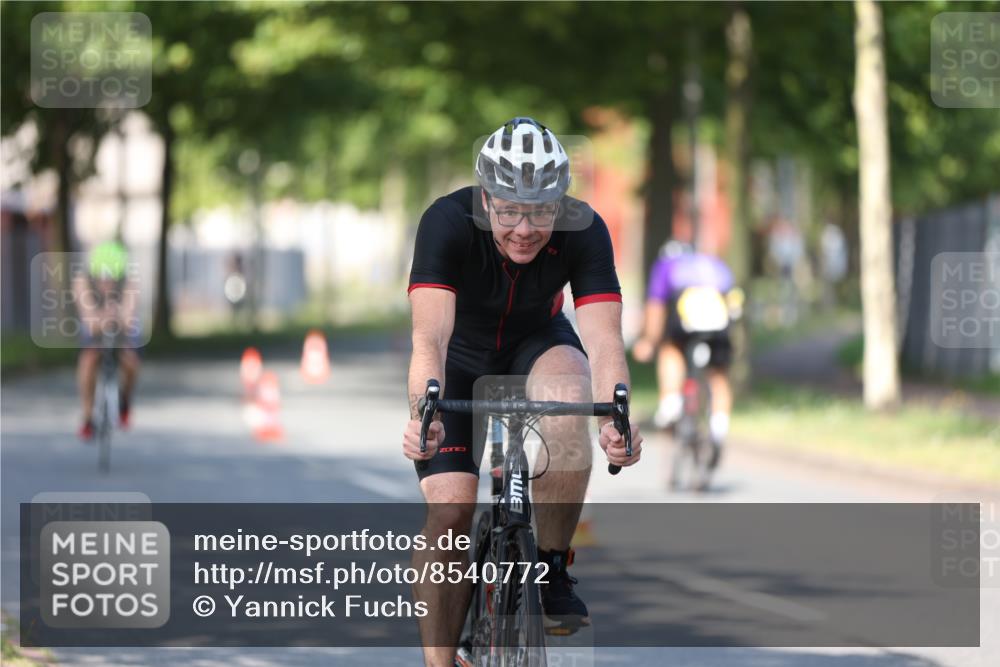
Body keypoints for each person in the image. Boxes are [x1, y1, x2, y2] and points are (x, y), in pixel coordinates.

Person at [401, 117, 642, 667]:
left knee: (567, 407)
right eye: (509, 209)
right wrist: (425, 412)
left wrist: (616, 419)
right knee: (450, 511)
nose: (525, 228)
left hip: (538, 340)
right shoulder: (445, 221)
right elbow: (428, 338)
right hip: (457, 358)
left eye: (540, 211)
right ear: (486, 200)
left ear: (561, 203)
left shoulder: (586, 228)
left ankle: (553, 565)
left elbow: (604, 339)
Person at [632, 241, 738, 466]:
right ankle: (719, 426)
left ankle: (671, 401)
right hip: (718, 314)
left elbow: (656, 306)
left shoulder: (666, 265)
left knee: (671, 348)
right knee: (718, 374)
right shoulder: (713, 263)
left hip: (688, 312)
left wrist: (649, 341)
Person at [74, 240, 141, 440]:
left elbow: (129, 321)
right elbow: (89, 320)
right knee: (87, 361)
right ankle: (87, 417)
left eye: (112, 279)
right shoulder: (81, 281)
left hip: (121, 330)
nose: (107, 284)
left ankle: (125, 402)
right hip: (95, 330)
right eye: (102, 279)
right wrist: (106, 316)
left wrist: (116, 317)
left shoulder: (129, 282)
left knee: (131, 361)